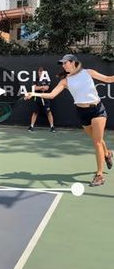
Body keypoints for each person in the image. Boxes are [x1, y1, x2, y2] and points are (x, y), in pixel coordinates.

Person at [25, 54, 114, 187]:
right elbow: (52, 95)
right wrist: (34, 93)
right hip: (82, 112)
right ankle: (107, 154)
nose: (63, 65)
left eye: (65, 63)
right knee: (98, 140)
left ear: (73, 62)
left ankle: (99, 175)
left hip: (97, 110)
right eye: (62, 63)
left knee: (96, 142)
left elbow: (108, 79)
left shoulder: (88, 72)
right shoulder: (65, 81)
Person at [28, 66, 56, 132]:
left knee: (48, 112)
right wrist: (41, 87)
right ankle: (31, 126)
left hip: (45, 98)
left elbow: (47, 88)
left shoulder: (47, 80)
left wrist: (39, 87)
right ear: (38, 72)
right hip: (37, 98)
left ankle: (52, 127)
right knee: (35, 112)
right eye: (39, 72)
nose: (40, 73)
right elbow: (34, 88)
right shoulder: (35, 80)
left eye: (42, 72)